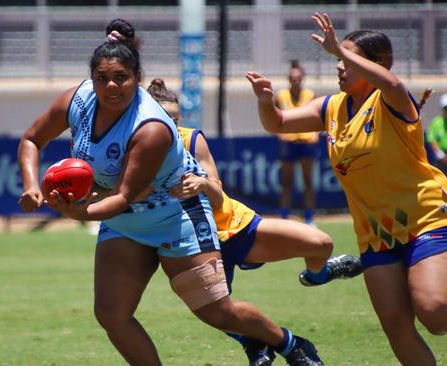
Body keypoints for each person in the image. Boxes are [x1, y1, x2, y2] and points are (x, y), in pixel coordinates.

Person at [18, 19, 323, 366]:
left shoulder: (151, 127)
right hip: (125, 222)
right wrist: (32, 187)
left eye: (121, 77)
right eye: (102, 78)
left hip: (176, 217)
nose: (111, 86)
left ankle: (289, 343)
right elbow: (32, 139)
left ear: (137, 77)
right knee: (111, 314)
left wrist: (75, 213)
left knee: (216, 312)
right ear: (92, 78)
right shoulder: (79, 99)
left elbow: (123, 197)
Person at [246, 12, 447, 366]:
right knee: (397, 328)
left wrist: (342, 51)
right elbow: (279, 122)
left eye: (347, 60)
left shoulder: (392, 99)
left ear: (378, 64)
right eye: (337, 59)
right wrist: (264, 99)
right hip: (376, 233)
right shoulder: (332, 107)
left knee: (433, 311)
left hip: (426, 218)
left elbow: (392, 84)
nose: (339, 67)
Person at [146, 77, 362, 366]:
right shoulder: (139, 151)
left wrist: (202, 184)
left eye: (175, 119)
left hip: (235, 226)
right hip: (194, 244)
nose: (171, 126)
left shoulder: (190, 138)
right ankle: (257, 342)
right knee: (217, 311)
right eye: (164, 119)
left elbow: (219, 198)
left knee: (320, 243)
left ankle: (318, 275)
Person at [275, 60, 318, 225]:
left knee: (307, 181)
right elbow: (275, 116)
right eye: (293, 78)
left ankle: (309, 217)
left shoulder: (310, 94)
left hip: (307, 142)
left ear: (303, 78)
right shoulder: (281, 95)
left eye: (298, 78)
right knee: (287, 181)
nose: (296, 81)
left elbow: (316, 117)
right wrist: (279, 134)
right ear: (288, 79)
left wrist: (314, 134)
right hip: (289, 142)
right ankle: (284, 216)